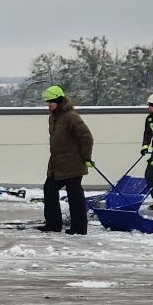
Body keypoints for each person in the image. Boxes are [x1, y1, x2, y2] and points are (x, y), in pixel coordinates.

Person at [40, 85, 94, 233]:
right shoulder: (54, 117)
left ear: (58, 101)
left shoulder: (71, 117)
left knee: (75, 197)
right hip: (57, 165)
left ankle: (79, 228)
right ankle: (53, 224)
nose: (48, 104)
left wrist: (86, 157)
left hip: (73, 165)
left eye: (50, 101)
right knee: (49, 190)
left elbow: (86, 137)